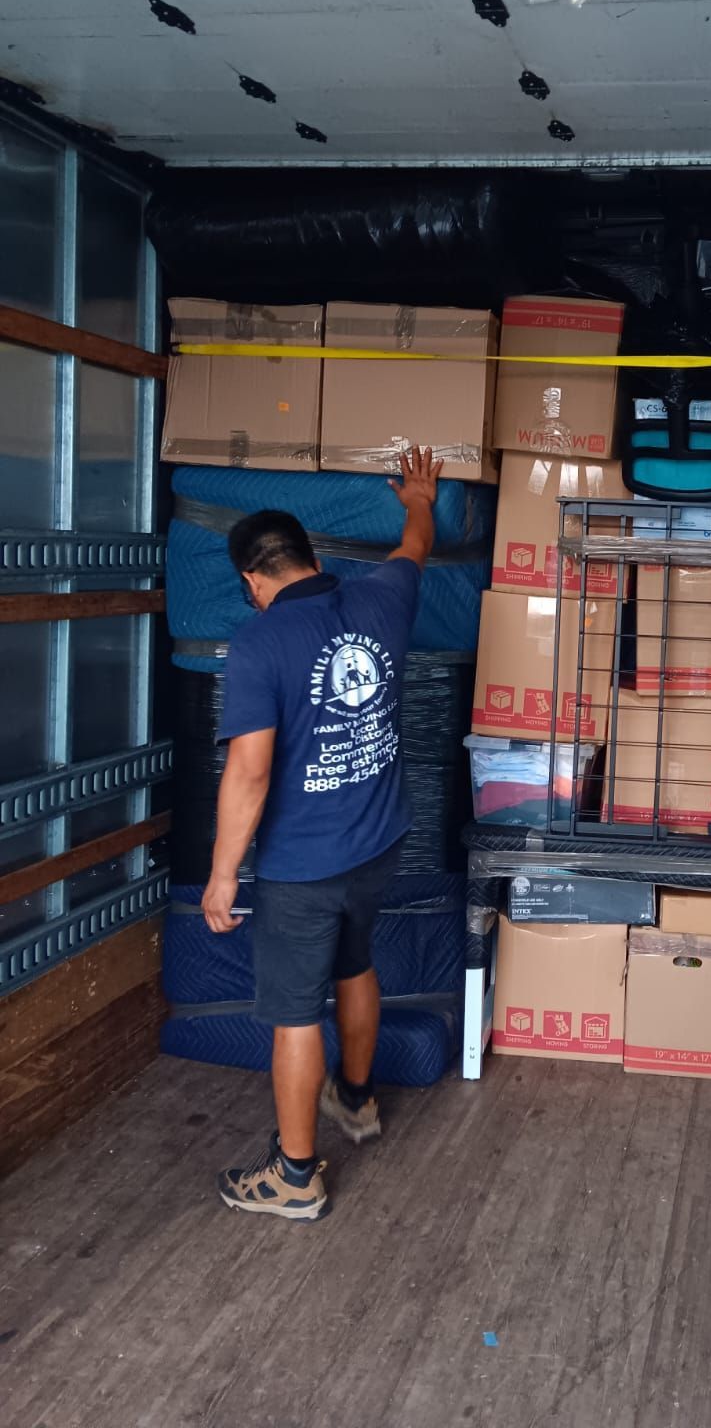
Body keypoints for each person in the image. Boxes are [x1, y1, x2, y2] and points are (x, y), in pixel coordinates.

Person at [201, 447, 444, 1221]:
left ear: (253, 580)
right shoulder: (382, 599)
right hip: (379, 842)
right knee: (356, 963)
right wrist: (419, 498)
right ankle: (359, 1101)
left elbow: (249, 774)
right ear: (310, 556)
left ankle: (296, 1176)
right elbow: (415, 547)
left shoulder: (258, 643)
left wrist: (221, 874)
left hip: (302, 867)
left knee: (294, 1014)